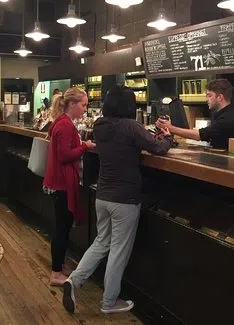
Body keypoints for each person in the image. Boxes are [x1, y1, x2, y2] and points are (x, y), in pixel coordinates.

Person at [63, 85, 172, 315]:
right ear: (129, 105)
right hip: (125, 198)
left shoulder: (100, 126)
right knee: (118, 250)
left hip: (102, 195)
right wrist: (168, 137)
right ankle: (109, 302)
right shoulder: (131, 126)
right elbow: (158, 149)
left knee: (101, 242)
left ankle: (74, 280)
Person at [43, 88, 95, 286]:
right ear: (72, 104)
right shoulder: (65, 125)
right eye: (83, 105)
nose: (85, 108)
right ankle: (56, 273)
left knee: (62, 226)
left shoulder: (61, 122)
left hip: (59, 181)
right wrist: (85, 146)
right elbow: (65, 155)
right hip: (63, 183)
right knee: (62, 228)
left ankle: (60, 264)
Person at [156, 78, 234, 150]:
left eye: (209, 95)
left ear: (220, 97)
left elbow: (200, 135)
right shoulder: (222, 114)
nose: (206, 99)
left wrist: (170, 128)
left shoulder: (229, 118)